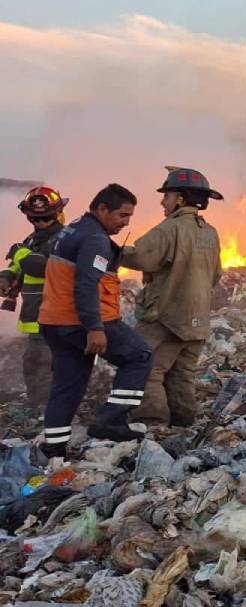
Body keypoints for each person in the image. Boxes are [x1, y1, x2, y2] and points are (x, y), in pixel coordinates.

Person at [38, 184, 152, 456]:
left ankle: (53, 449)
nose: (125, 224)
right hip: (81, 321)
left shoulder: (74, 228)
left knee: (68, 385)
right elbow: (87, 285)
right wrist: (95, 328)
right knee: (139, 355)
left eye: (129, 218)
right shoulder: (94, 238)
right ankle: (111, 421)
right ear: (102, 209)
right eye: (122, 216)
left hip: (54, 321)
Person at [121, 167, 223, 428]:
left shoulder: (170, 229)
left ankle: (153, 424)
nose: (162, 201)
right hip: (197, 319)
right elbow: (215, 274)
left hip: (165, 318)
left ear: (179, 198)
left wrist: (109, 249)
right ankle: (183, 424)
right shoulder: (209, 232)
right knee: (181, 374)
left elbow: (142, 256)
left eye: (166, 196)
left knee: (146, 370)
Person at [0, 187, 68, 407]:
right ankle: (40, 409)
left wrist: (19, 253)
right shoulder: (32, 240)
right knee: (33, 364)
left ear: (58, 213)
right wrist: (5, 277)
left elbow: (42, 266)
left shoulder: (64, 240)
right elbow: (17, 266)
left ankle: (47, 412)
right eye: (34, 218)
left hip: (53, 317)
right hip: (36, 317)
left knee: (43, 365)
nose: (40, 222)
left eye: (45, 217)